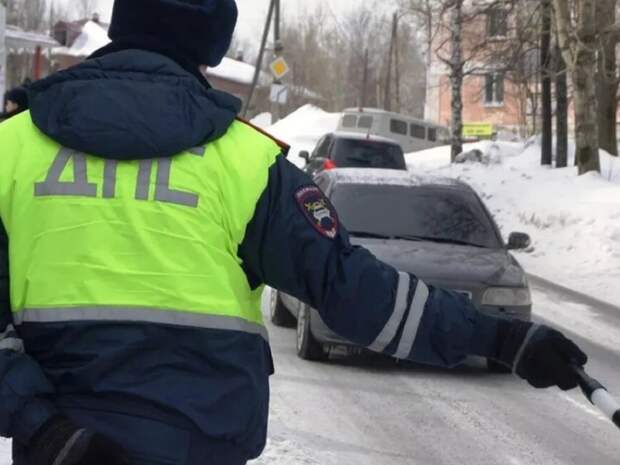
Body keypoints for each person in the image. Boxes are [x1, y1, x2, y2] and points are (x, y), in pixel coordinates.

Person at [0, 1, 587, 464]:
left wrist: (44, 429)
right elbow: (357, 293)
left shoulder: (12, 150)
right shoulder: (247, 164)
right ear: (211, 45)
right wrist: (501, 339)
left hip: (60, 446)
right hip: (199, 447)